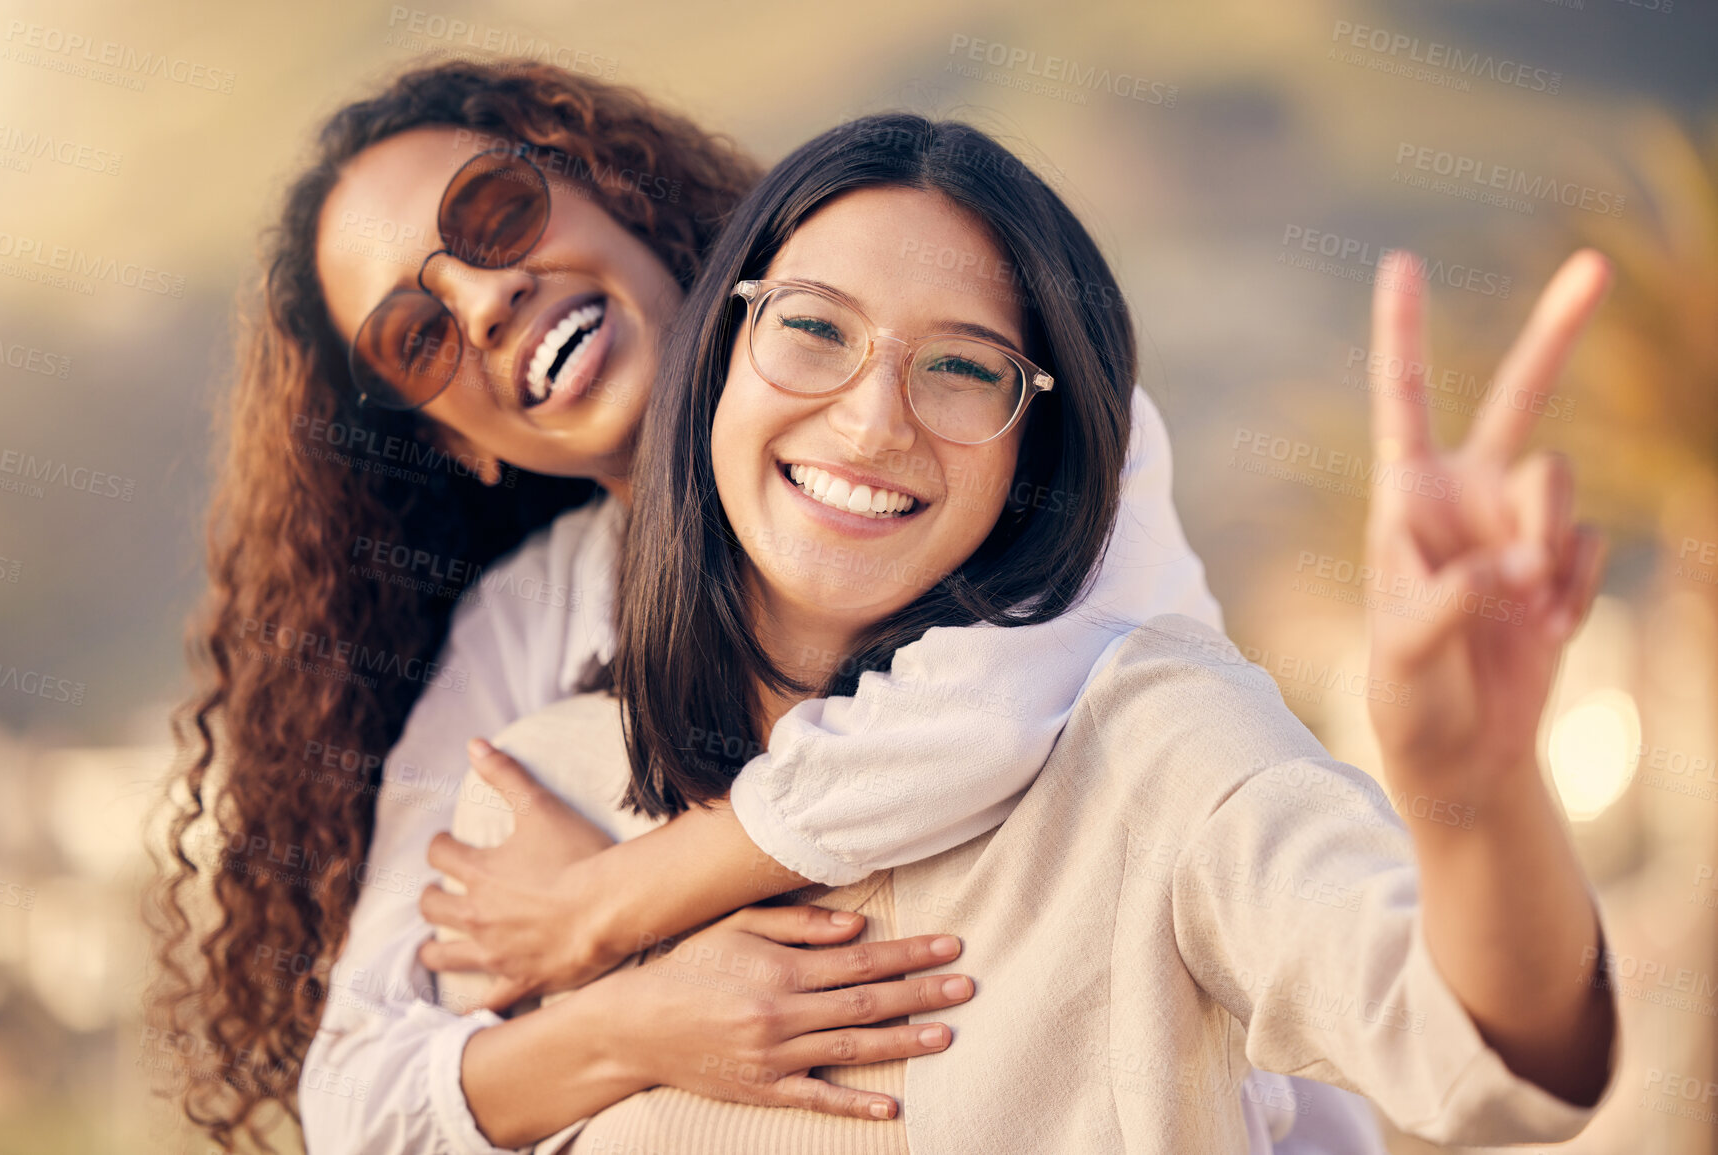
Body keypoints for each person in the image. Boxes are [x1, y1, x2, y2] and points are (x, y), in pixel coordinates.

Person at [160, 59, 1334, 1153]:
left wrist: (606, 905)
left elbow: (1001, 702)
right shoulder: (527, 633)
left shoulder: (993, 391)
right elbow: (360, 1102)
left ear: (606, 189)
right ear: (447, 441)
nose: (486, 299)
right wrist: (637, 1020)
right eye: (415, 337)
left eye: (494, 213)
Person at [440, 114, 1616, 1152]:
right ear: (715, 362)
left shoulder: (1158, 746)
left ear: (1030, 460)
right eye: (812, 327)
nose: (870, 417)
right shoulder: (542, 794)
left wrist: (1479, 795)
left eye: (964, 367)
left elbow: (1492, 1066)